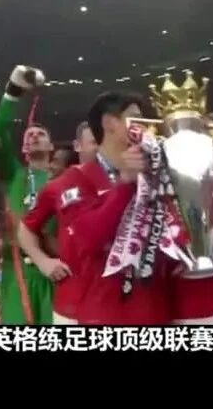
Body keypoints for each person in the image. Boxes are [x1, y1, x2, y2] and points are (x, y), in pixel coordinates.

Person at [20, 91, 171, 325]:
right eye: (134, 119)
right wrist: (43, 262)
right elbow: (90, 239)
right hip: (94, 310)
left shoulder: (156, 174)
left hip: (151, 309)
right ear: (109, 123)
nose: (143, 127)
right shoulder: (71, 181)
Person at [0, 65, 55, 324]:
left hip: (55, 270)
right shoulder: (14, 174)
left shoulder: (65, 180)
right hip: (18, 272)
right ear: (23, 147)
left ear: (51, 146)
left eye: (41, 134)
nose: (34, 137)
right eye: (30, 134)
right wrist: (13, 91)